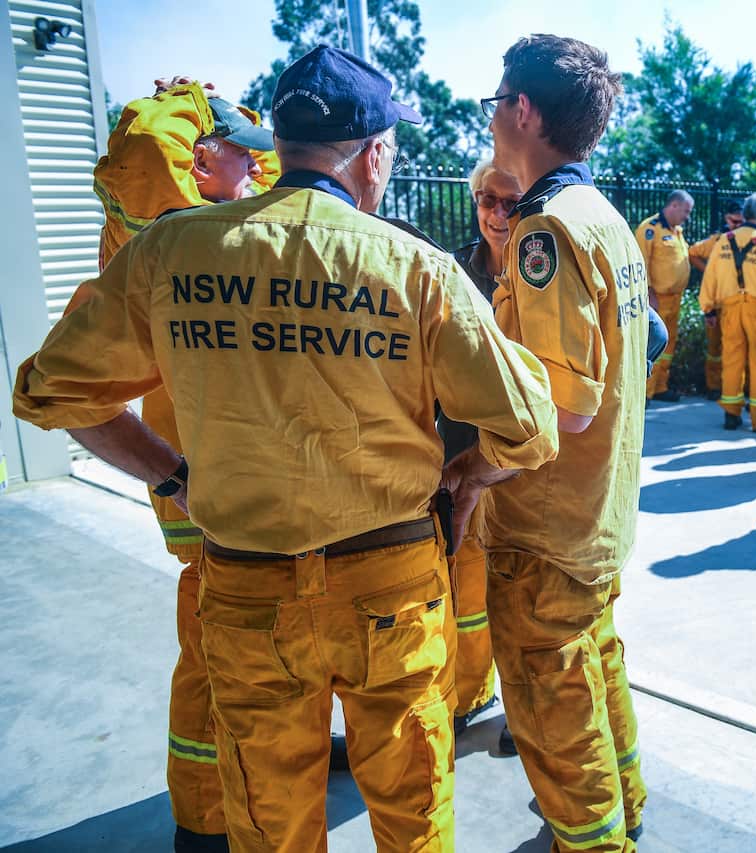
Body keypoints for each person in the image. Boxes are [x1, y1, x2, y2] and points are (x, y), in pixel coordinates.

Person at [14, 45, 561, 850]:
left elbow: (47, 392)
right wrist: (466, 474)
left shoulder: (170, 253)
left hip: (245, 589)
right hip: (392, 591)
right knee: (414, 820)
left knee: (269, 825)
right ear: (374, 154)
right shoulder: (414, 268)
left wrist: (172, 476)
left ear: (282, 144)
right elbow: (534, 426)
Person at [89, 76, 278, 853]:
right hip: (200, 479)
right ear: (198, 163)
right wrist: (191, 114)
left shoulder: (198, 221)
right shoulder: (173, 242)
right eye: (239, 156)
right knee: (212, 657)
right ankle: (203, 817)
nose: (258, 169)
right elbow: (149, 159)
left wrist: (228, 117)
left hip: (234, 475)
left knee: (256, 653)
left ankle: (249, 777)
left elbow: (270, 172)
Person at [479, 34, 648, 850]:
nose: (492, 121)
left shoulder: (547, 227)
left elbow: (560, 409)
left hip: (546, 524)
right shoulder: (605, 216)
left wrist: (471, 468)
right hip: (596, 513)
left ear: (522, 109)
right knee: (596, 664)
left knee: (552, 701)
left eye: (494, 104)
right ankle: (626, 810)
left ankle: (591, 840)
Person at [443, 159, 525, 755]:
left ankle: (531, 716)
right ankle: (467, 697)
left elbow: (643, 338)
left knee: (527, 597)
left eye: (511, 202)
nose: (497, 214)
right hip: (466, 457)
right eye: (487, 201)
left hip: (530, 463)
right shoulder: (449, 269)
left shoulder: (553, 267)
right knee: (463, 589)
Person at [698, 192, 756, 433]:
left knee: (732, 361)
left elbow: (710, 276)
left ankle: (731, 414)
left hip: (729, 309)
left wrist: (707, 308)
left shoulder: (723, 241)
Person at [635, 190, 693, 402]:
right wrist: (649, 294)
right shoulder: (649, 229)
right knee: (653, 342)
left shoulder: (677, 231)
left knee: (668, 346)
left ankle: (660, 387)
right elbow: (641, 263)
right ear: (674, 205)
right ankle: (645, 392)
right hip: (656, 298)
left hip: (674, 299)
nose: (688, 216)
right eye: (686, 211)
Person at [689, 199, 745, 398]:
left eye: (740, 222)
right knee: (714, 348)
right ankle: (713, 386)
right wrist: (708, 271)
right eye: (733, 221)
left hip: (739, 303)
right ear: (726, 219)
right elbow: (692, 253)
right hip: (716, 302)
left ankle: (733, 387)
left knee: (736, 348)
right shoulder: (716, 241)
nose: (737, 226)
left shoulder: (748, 240)